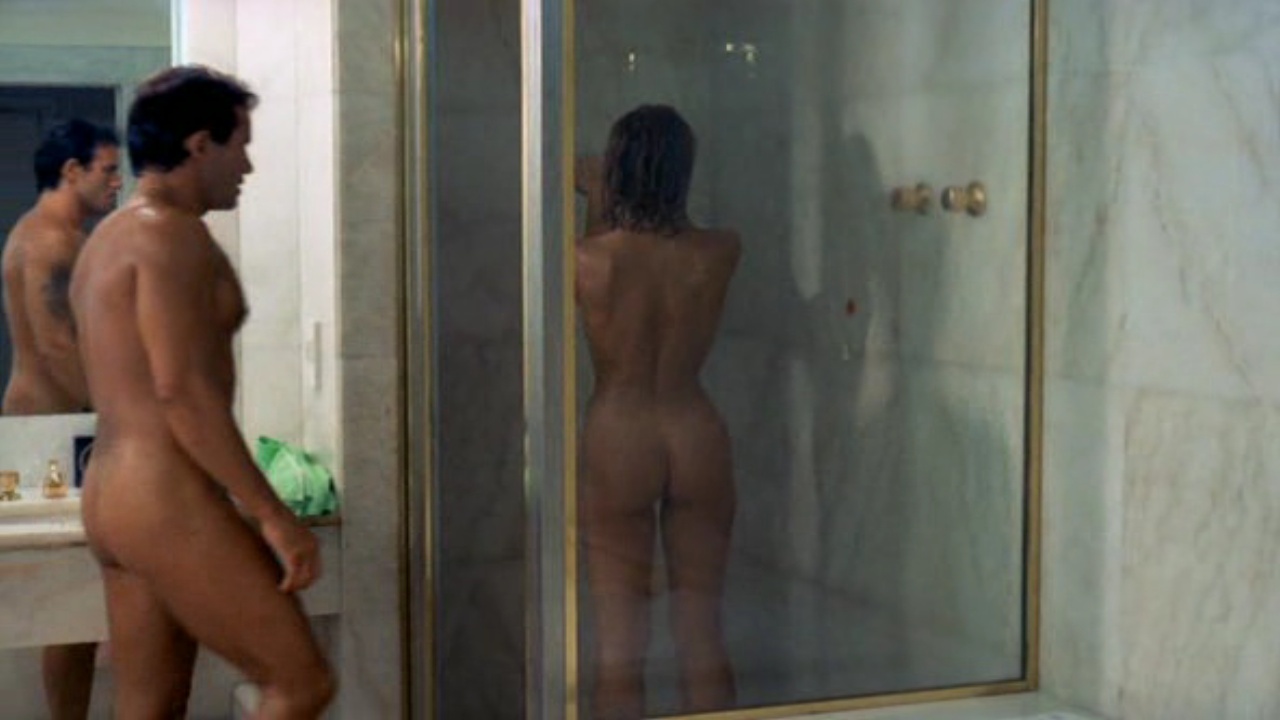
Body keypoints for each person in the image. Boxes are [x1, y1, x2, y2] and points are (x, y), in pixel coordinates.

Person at [68, 65, 334, 719]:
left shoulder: (107, 241)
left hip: (110, 494)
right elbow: (181, 391)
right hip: (163, 492)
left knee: (149, 705)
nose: (247, 165)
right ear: (199, 145)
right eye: (240, 144)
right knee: (301, 684)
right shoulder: (170, 234)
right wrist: (273, 515)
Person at [575, 105, 741, 719]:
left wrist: (597, 194)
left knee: (621, 650)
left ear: (616, 169)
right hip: (694, 430)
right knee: (702, 633)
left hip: (620, 435)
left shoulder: (587, 258)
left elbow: (609, 263)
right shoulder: (721, 249)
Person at [1, 117, 121, 720]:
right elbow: (56, 345)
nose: (117, 182)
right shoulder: (51, 240)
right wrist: (120, 417)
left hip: (54, 426)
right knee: (68, 601)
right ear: (72, 171)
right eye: (108, 170)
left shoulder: (55, 234)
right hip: (52, 429)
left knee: (74, 605)